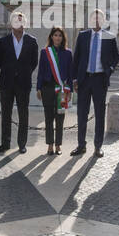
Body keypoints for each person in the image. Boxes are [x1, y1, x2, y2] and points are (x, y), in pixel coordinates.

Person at [72, 8, 119, 157]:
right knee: (81, 114)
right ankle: (81, 145)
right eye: (94, 18)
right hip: (84, 79)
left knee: (99, 114)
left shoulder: (109, 37)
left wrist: (109, 69)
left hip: (100, 79)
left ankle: (98, 146)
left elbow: (116, 57)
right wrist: (74, 79)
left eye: (99, 19)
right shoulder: (82, 35)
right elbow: (76, 58)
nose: (96, 21)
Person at [0, 11, 38, 154]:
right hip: (6, 82)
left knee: (23, 114)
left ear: (24, 23)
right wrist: (11, 71)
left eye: (20, 21)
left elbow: (33, 62)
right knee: (6, 114)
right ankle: (5, 143)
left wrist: (23, 73)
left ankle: (22, 144)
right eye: (15, 21)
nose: (17, 23)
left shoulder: (32, 41)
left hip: (23, 83)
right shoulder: (4, 41)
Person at [36, 26, 73, 155]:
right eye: (55, 35)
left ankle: (58, 145)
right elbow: (40, 72)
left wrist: (70, 91)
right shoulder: (45, 52)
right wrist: (38, 88)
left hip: (62, 89)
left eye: (60, 35)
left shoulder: (68, 53)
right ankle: (50, 145)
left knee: (60, 118)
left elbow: (70, 73)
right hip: (47, 88)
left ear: (63, 38)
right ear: (51, 37)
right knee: (48, 117)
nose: (57, 37)